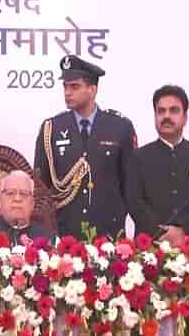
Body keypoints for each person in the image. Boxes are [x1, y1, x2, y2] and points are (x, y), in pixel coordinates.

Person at [34, 55, 136, 239]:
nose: (67, 92)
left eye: (75, 86)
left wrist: (117, 214)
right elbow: (42, 185)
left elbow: (131, 183)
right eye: (65, 86)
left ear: (92, 89)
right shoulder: (52, 128)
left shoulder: (120, 127)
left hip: (108, 233)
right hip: (64, 232)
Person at [126, 85, 189, 246]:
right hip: (148, 248)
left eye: (174, 110)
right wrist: (160, 232)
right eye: (161, 111)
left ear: (185, 118)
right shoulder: (138, 157)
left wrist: (184, 230)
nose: (166, 116)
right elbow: (134, 202)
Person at [0, 170, 56, 248]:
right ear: (0, 202)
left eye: (24, 193)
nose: (17, 198)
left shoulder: (51, 240)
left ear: (32, 204)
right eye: (10, 193)